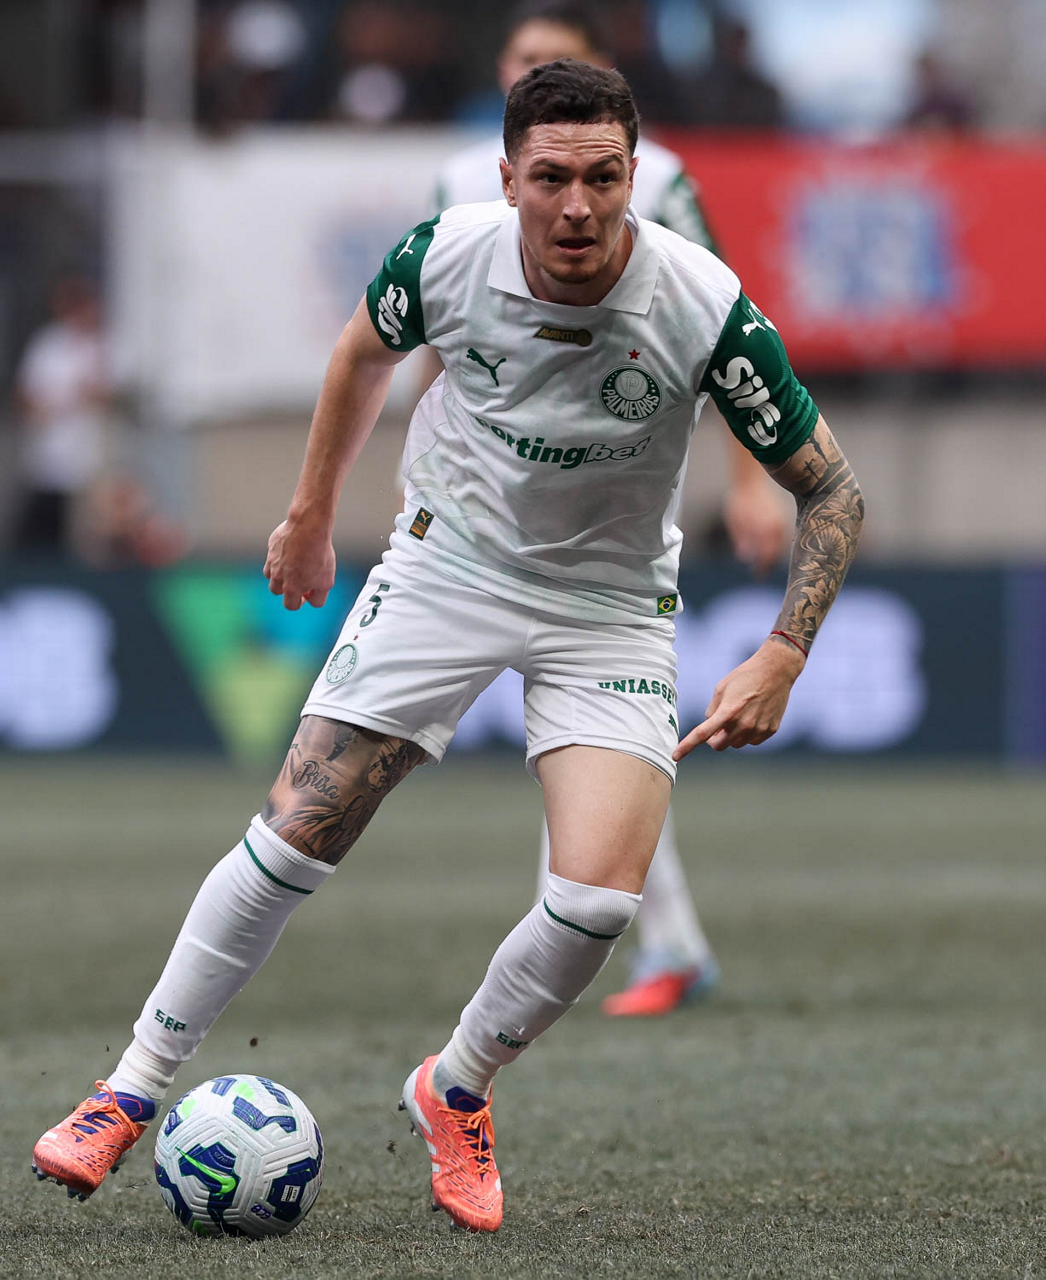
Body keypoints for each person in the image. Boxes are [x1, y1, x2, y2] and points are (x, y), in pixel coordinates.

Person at [33, 59, 863, 1234]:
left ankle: (455, 1083)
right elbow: (358, 355)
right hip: (447, 566)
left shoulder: (700, 302)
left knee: (596, 902)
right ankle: (126, 1090)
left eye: (603, 178)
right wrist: (309, 515)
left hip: (609, 605)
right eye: (551, 178)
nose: (576, 206)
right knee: (300, 823)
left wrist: (783, 649)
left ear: (634, 176)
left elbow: (831, 489)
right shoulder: (444, 255)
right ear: (507, 178)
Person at [427, 0, 789, 1017]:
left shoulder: (659, 178)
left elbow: (722, 322)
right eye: (519, 56)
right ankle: (649, 939)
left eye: (553, 59)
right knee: (571, 736)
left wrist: (749, 480)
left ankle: (653, 941)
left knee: (586, 726)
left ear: (598, 78)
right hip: (489, 490)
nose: (529, 69)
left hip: (614, 482)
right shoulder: (459, 179)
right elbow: (436, 331)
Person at [12, 276, 110, 555]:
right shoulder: (48, 345)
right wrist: (54, 407)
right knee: (43, 534)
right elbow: (25, 397)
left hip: (91, 464)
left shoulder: (102, 344)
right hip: (50, 459)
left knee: (86, 538)